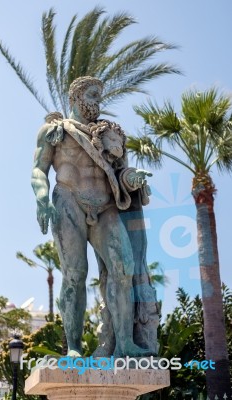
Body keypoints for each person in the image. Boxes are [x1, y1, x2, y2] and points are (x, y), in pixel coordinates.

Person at [31, 76, 158, 357]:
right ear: (75, 97)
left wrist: (132, 178)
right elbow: (39, 169)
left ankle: (125, 343)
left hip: (106, 207)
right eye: (92, 95)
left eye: (99, 97)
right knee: (75, 274)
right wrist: (41, 198)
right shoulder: (55, 131)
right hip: (69, 200)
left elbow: (119, 171)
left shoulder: (107, 133)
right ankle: (74, 348)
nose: (97, 103)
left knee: (123, 269)